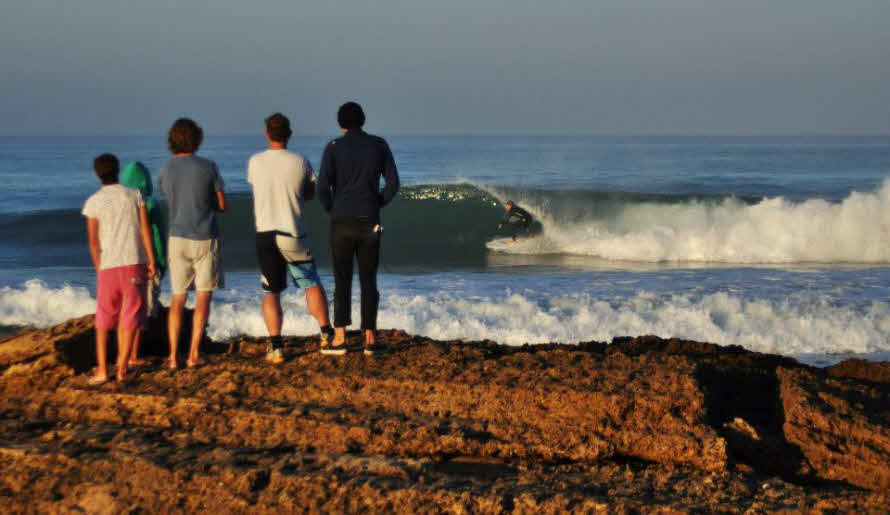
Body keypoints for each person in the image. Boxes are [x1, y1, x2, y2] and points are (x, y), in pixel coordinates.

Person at [247, 113, 334, 364]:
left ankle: (276, 346)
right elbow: (309, 193)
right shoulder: (300, 161)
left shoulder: (255, 162)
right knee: (310, 283)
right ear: (289, 134)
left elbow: (259, 188)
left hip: (265, 233)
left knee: (271, 291)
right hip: (292, 231)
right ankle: (326, 333)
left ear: (267, 134)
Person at [318, 102, 399, 355]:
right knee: (368, 279)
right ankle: (370, 339)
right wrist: (378, 202)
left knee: (341, 279)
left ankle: (340, 338)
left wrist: (333, 209)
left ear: (341, 123)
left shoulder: (333, 148)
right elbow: (393, 184)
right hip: (369, 219)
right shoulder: (379, 145)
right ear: (362, 120)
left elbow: (322, 187)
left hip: (341, 220)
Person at [157, 118, 226, 369]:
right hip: (205, 236)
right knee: (203, 297)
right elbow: (222, 204)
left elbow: (168, 195)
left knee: (177, 298)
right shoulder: (209, 166)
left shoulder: (165, 169)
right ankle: (194, 353)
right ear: (197, 138)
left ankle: (173, 357)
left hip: (177, 237)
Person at [82, 153, 157, 384]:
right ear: (118, 170)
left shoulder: (93, 202)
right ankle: (123, 369)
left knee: (104, 320)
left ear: (98, 173)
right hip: (134, 262)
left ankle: (103, 370)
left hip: (108, 266)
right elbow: (145, 230)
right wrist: (152, 260)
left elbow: (93, 242)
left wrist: (99, 267)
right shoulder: (134, 195)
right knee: (130, 317)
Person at [120, 161, 167, 367]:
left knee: (129, 309)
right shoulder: (148, 203)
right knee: (141, 311)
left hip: (126, 261)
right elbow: (154, 236)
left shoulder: (123, 204)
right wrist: (156, 262)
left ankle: (126, 354)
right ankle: (133, 356)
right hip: (149, 261)